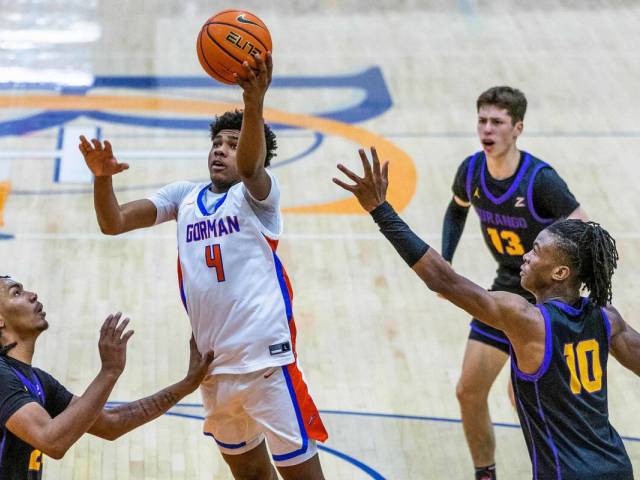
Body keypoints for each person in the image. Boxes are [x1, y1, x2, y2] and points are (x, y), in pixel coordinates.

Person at [79, 52, 328, 480]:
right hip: (211, 369)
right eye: (217, 143)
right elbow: (113, 222)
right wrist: (103, 178)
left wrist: (254, 102)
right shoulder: (184, 196)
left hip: (265, 364)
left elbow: (251, 166)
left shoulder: (259, 198)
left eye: (233, 144)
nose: (221, 150)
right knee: (250, 475)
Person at [334, 147, 637, 480]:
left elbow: (443, 281)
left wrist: (381, 210)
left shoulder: (526, 319)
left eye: (536, 252)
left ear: (560, 273)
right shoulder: (608, 319)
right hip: (618, 468)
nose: (526, 255)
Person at [441, 86, 588, 479]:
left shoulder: (541, 181)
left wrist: (565, 286)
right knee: (468, 391)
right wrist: (447, 260)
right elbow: (457, 210)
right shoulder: (471, 171)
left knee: (523, 396)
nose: (487, 130)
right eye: (482, 121)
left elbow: (586, 229)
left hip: (546, 298)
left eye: (497, 122)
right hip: (507, 285)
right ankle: (485, 474)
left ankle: (559, 468)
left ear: (517, 128)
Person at [0, 265, 213, 479]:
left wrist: (186, 385)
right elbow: (52, 441)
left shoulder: (37, 381)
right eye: (17, 293)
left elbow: (111, 424)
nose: (32, 295)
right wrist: (109, 372)